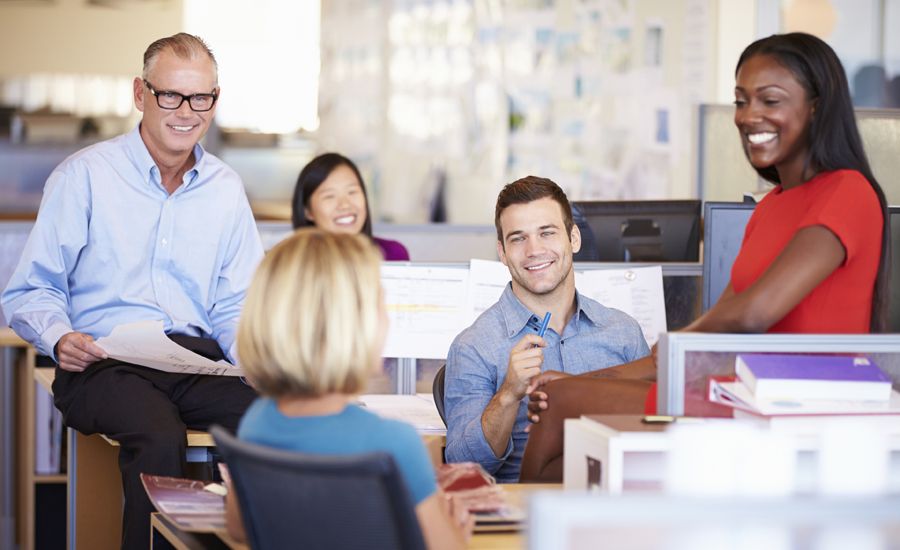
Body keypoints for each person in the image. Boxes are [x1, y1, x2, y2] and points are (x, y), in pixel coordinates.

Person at [523, 32, 890, 478]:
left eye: (769, 100)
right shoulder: (771, 206)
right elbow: (714, 336)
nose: (748, 116)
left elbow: (751, 314)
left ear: (816, 106)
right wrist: (584, 380)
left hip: (799, 405)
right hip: (745, 393)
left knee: (562, 407)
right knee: (559, 413)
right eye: (741, 100)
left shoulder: (847, 191)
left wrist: (673, 347)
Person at [1, 33, 263, 549]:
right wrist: (59, 337)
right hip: (102, 362)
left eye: (201, 98)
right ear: (140, 94)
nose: (186, 112)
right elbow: (30, 289)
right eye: (171, 95)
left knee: (275, 415)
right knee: (157, 432)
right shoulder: (85, 177)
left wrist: (253, 358)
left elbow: (236, 302)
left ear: (215, 99)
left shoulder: (226, 190)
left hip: (194, 362)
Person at [227, 229, 470, 548]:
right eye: (380, 305)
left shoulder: (258, 421)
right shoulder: (394, 444)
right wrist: (455, 532)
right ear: (353, 326)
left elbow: (239, 529)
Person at [443, 176, 649, 482]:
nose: (534, 250)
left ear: (574, 239)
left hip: (614, 504)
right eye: (518, 238)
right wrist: (508, 395)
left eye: (547, 233)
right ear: (502, 252)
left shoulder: (622, 332)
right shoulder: (473, 346)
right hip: (522, 515)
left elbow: (657, 429)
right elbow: (463, 467)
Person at [291, 152, 410, 260]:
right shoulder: (291, 262)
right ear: (308, 211)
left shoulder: (392, 254)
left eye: (352, 192)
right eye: (329, 196)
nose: (345, 205)